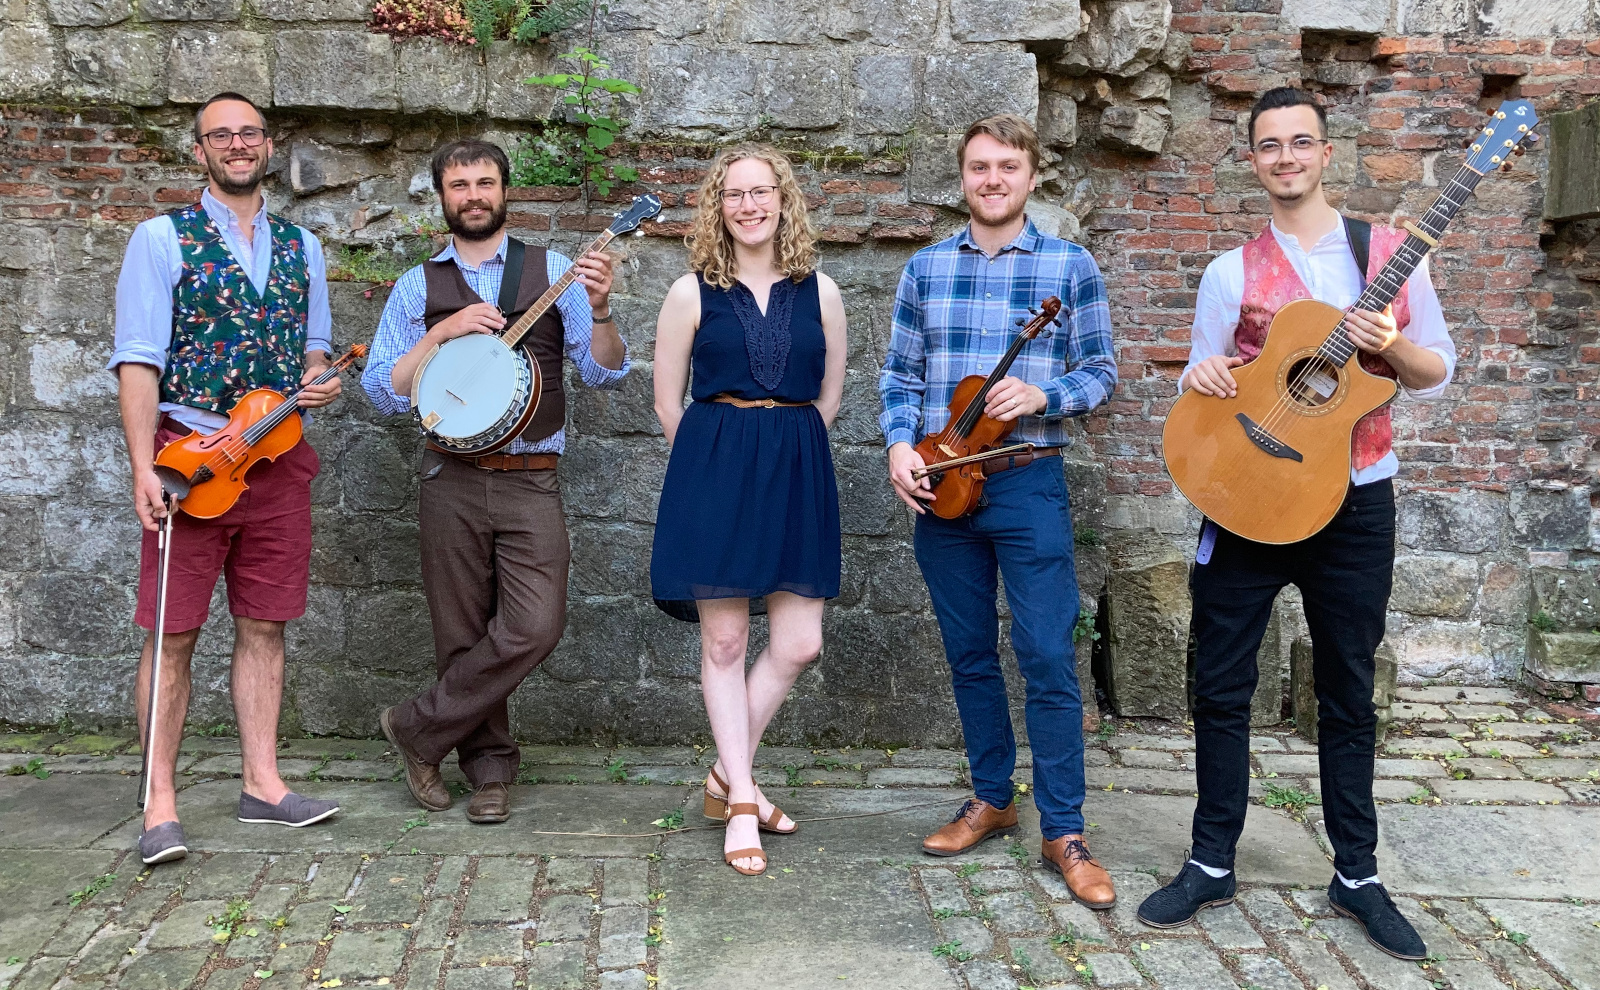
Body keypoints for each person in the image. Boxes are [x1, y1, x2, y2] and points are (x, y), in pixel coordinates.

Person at [1136, 87, 1455, 960]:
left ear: (1325, 153)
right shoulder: (1229, 272)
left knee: (1348, 687)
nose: (1285, 157)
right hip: (1250, 495)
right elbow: (1207, 376)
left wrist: (1386, 343)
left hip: (1356, 501)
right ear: (1253, 159)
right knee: (1220, 683)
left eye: (1300, 142)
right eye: (1269, 145)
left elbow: (1435, 370)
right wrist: (1198, 378)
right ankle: (1210, 860)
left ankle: (1357, 872)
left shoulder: (1388, 254)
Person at [878, 114, 1119, 906]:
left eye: (1007, 166)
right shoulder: (924, 268)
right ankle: (992, 797)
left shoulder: (1069, 266)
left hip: (1027, 479)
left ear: (1030, 175)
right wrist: (899, 448)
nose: (992, 179)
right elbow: (900, 377)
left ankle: (1065, 830)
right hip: (943, 483)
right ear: (963, 176)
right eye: (978, 166)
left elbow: (1103, 374)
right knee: (969, 651)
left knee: (1048, 654)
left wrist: (1046, 392)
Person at [361, 139, 629, 825]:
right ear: (442, 197)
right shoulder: (419, 287)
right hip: (448, 476)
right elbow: (383, 389)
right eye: (459, 185)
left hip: (530, 478)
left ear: (505, 191)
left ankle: (416, 727)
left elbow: (602, 372)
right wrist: (440, 335)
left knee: (535, 625)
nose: (473, 195)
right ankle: (488, 770)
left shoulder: (555, 272)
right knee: (459, 630)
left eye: (485, 182)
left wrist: (600, 310)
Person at [110, 91, 345, 865]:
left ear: (268, 146)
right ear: (200, 150)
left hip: (275, 457)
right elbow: (139, 360)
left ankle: (264, 785)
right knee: (172, 634)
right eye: (222, 135)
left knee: (265, 624)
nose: (237, 145)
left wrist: (319, 378)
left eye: (249, 133)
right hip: (190, 460)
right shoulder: (159, 239)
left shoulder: (302, 246)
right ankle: (160, 801)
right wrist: (144, 466)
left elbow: (312, 350)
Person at [649, 144, 846, 877]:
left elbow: (828, 396)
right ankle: (740, 805)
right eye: (735, 194)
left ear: (783, 200)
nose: (750, 205)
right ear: (718, 206)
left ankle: (727, 775)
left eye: (762, 191)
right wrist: (719, 460)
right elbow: (669, 404)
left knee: (799, 643)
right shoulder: (688, 293)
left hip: (796, 463)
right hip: (715, 468)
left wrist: (781, 447)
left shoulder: (821, 291)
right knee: (725, 644)